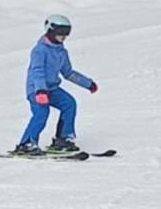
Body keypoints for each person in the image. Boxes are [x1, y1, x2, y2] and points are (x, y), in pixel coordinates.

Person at [14, 14, 98, 155]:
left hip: (52, 89)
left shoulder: (61, 52)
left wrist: (88, 83)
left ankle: (63, 139)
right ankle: (27, 143)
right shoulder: (39, 51)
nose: (63, 37)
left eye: (66, 33)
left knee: (69, 103)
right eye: (60, 33)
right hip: (36, 89)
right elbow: (37, 71)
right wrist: (41, 91)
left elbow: (68, 72)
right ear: (51, 30)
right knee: (42, 113)